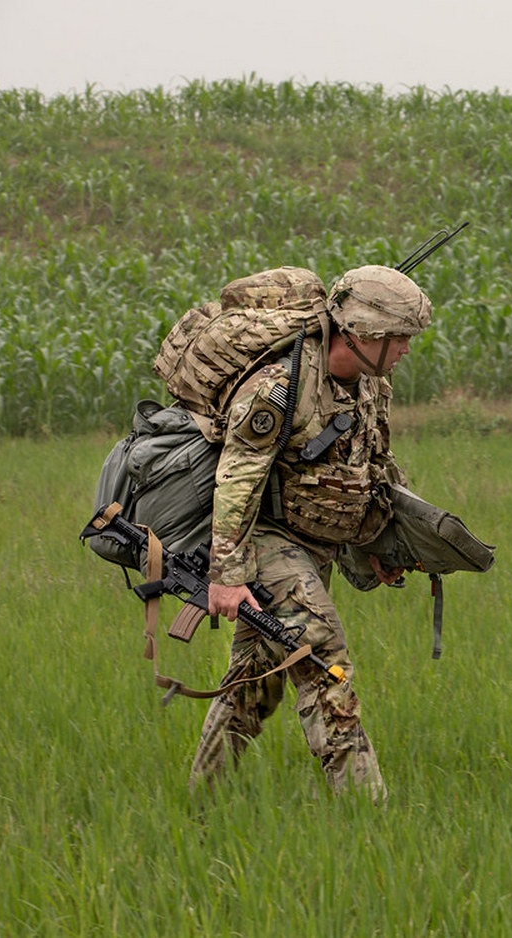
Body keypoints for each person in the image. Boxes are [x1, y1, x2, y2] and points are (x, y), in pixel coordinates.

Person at [188, 264, 432, 800]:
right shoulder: (280, 386)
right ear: (365, 335)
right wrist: (225, 576)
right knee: (324, 661)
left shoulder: (371, 385)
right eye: (402, 338)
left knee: (257, 683)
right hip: (267, 540)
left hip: (316, 543)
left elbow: (374, 464)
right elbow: (237, 477)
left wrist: (380, 542)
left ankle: (200, 801)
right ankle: (369, 812)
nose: (408, 350)